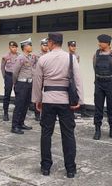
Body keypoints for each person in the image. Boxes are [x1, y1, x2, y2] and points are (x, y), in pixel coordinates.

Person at [32, 32, 84, 178]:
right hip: (65, 101)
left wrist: (37, 99)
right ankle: (70, 169)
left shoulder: (43, 58)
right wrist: (79, 100)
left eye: (48, 41)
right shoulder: (71, 58)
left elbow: (37, 81)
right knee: (68, 134)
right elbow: (78, 80)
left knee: (46, 134)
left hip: (48, 99)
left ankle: (46, 167)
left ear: (51, 42)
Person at [92, 34, 112, 140]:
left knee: (111, 108)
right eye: (99, 41)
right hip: (99, 83)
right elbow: (94, 67)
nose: (99, 44)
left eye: (101, 42)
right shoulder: (96, 54)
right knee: (98, 107)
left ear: (107, 43)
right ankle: (97, 130)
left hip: (111, 83)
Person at [11, 38, 36, 134]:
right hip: (21, 84)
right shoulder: (20, 58)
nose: (31, 47)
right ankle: (14, 126)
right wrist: (15, 83)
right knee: (19, 106)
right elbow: (14, 72)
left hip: (29, 84)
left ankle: (21, 123)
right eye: (30, 45)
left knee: (26, 105)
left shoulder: (29, 57)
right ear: (25, 47)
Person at [30, 38, 49, 121]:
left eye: (47, 45)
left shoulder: (50, 54)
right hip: (38, 78)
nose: (46, 47)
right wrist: (35, 74)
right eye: (44, 45)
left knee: (47, 95)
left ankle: (46, 113)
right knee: (37, 95)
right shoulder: (36, 55)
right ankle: (37, 114)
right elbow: (31, 65)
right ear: (41, 45)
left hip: (47, 78)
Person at [1, 41, 19, 121]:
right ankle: (5, 113)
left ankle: (18, 112)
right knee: (7, 94)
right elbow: (2, 67)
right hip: (8, 75)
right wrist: (4, 76)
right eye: (12, 47)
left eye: (15, 47)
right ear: (9, 47)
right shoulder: (5, 56)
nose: (14, 48)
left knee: (18, 94)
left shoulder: (20, 56)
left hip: (17, 76)